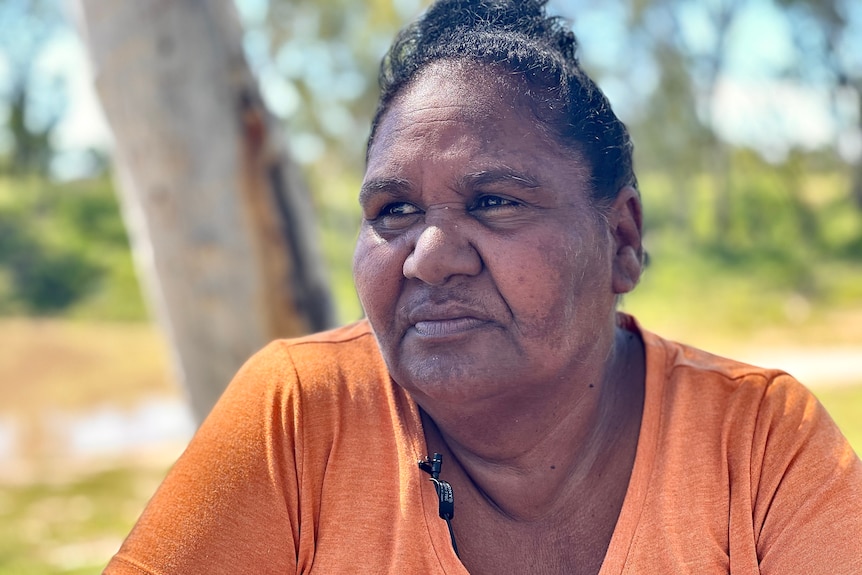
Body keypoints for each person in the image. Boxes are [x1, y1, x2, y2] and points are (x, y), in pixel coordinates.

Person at [105, 1, 862, 573]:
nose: (429, 257)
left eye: (495, 200)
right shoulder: (302, 415)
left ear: (622, 240)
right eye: (393, 210)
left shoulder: (755, 441)